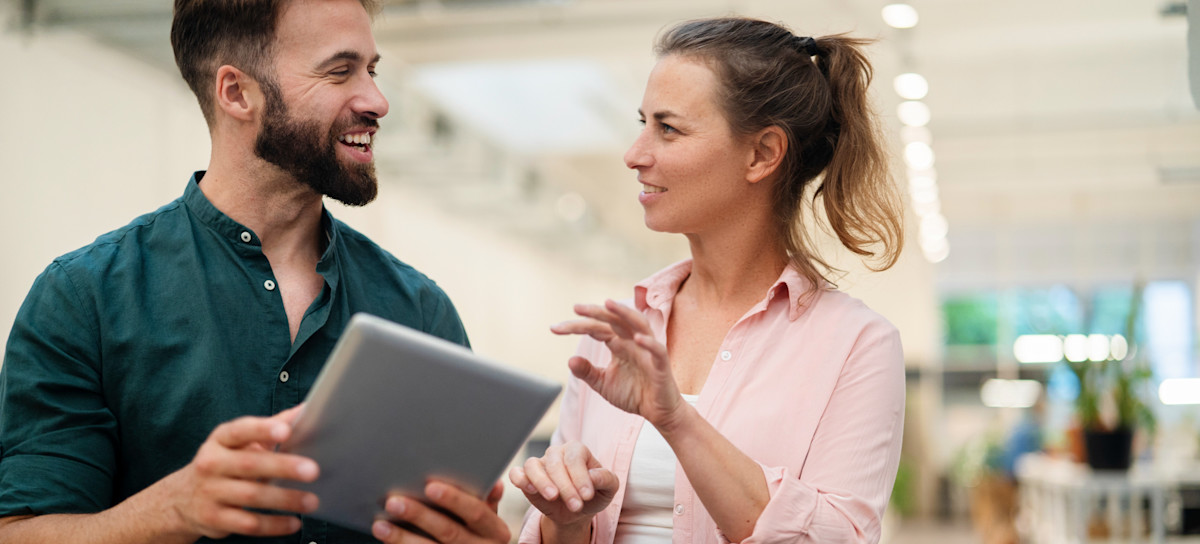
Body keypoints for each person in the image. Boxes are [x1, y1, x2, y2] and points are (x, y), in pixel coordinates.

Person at [0, 1, 511, 543]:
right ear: (237, 93)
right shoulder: (85, 300)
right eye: (340, 71)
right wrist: (172, 509)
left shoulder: (421, 312)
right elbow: (19, 530)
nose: (377, 101)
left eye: (372, 69)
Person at [509, 17, 906, 544]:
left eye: (667, 129)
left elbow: (838, 537)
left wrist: (676, 420)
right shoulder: (618, 330)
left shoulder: (858, 346)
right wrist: (567, 514)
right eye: (643, 122)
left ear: (762, 153)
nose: (635, 154)